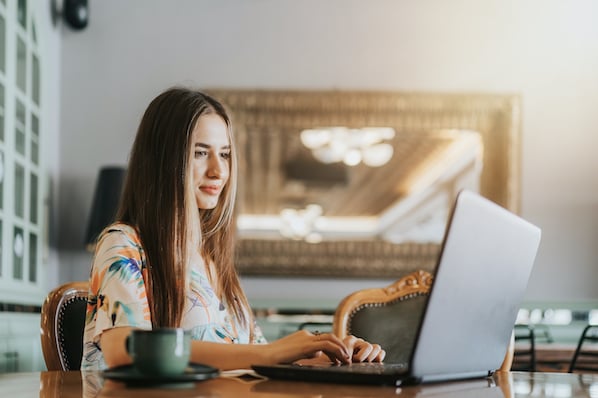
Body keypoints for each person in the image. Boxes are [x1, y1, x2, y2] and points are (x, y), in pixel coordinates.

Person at [81, 87, 385, 371]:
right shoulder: (123, 243)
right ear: (163, 161)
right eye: (201, 152)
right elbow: (124, 352)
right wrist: (270, 353)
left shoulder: (211, 259)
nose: (219, 170)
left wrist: (325, 356)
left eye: (224, 154)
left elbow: (252, 357)